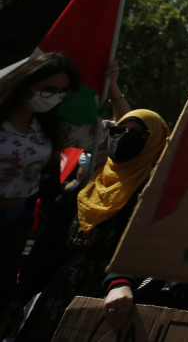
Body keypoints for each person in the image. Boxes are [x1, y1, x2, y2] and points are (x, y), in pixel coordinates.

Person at [15, 109, 170, 342]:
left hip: (113, 310)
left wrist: (121, 283)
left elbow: (149, 251)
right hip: (56, 304)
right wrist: (17, 301)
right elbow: (47, 249)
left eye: (137, 133)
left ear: (156, 142)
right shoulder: (86, 190)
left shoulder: (155, 198)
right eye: (119, 130)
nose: (124, 137)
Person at [0, 53, 82, 331]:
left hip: (16, 220)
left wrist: (114, 86)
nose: (54, 97)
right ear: (27, 83)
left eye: (62, 92)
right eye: (49, 89)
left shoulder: (48, 129)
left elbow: (120, 129)